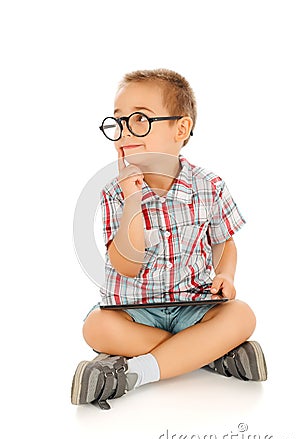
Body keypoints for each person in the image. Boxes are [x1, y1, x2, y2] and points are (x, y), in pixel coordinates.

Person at [71, 68, 267, 410]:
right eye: (119, 122)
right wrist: (132, 199)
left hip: (194, 306)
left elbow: (224, 242)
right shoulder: (113, 193)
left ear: (181, 128)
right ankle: (210, 355)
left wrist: (226, 276)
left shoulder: (210, 186)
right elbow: (126, 267)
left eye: (140, 120)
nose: (125, 132)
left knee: (242, 316)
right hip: (133, 313)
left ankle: (136, 371)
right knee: (96, 328)